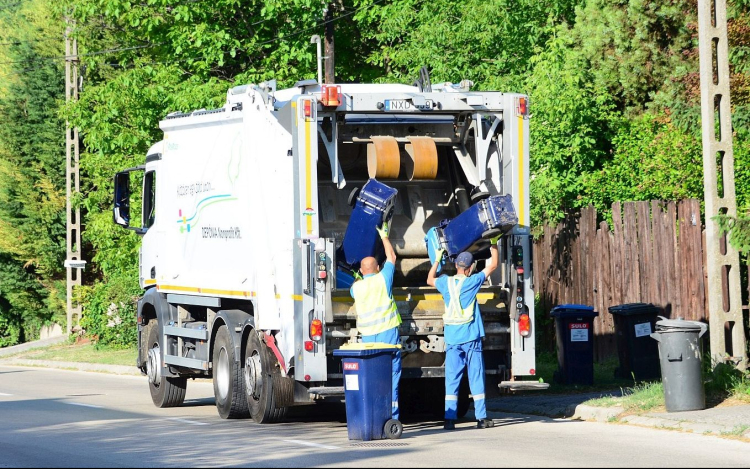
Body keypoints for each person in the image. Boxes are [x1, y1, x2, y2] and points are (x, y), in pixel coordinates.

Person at [427, 236, 500, 430]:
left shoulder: (445, 283)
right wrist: (494, 243)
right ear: (469, 268)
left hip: (452, 339)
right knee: (475, 376)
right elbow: (493, 265)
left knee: (452, 378)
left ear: (457, 266)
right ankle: (481, 418)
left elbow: (429, 279)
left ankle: (449, 419)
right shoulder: (472, 282)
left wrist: (436, 259)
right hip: (470, 338)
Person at [350, 222, 402, 420]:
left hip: (369, 339)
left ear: (362, 272)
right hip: (388, 335)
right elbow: (392, 257)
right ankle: (392, 418)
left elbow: (354, 287)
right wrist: (384, 236)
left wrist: (358, 277)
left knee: (371, 378)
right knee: (391, 377)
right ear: (378, 268)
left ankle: (373, 416)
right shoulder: (384, 278)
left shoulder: (357, 288)